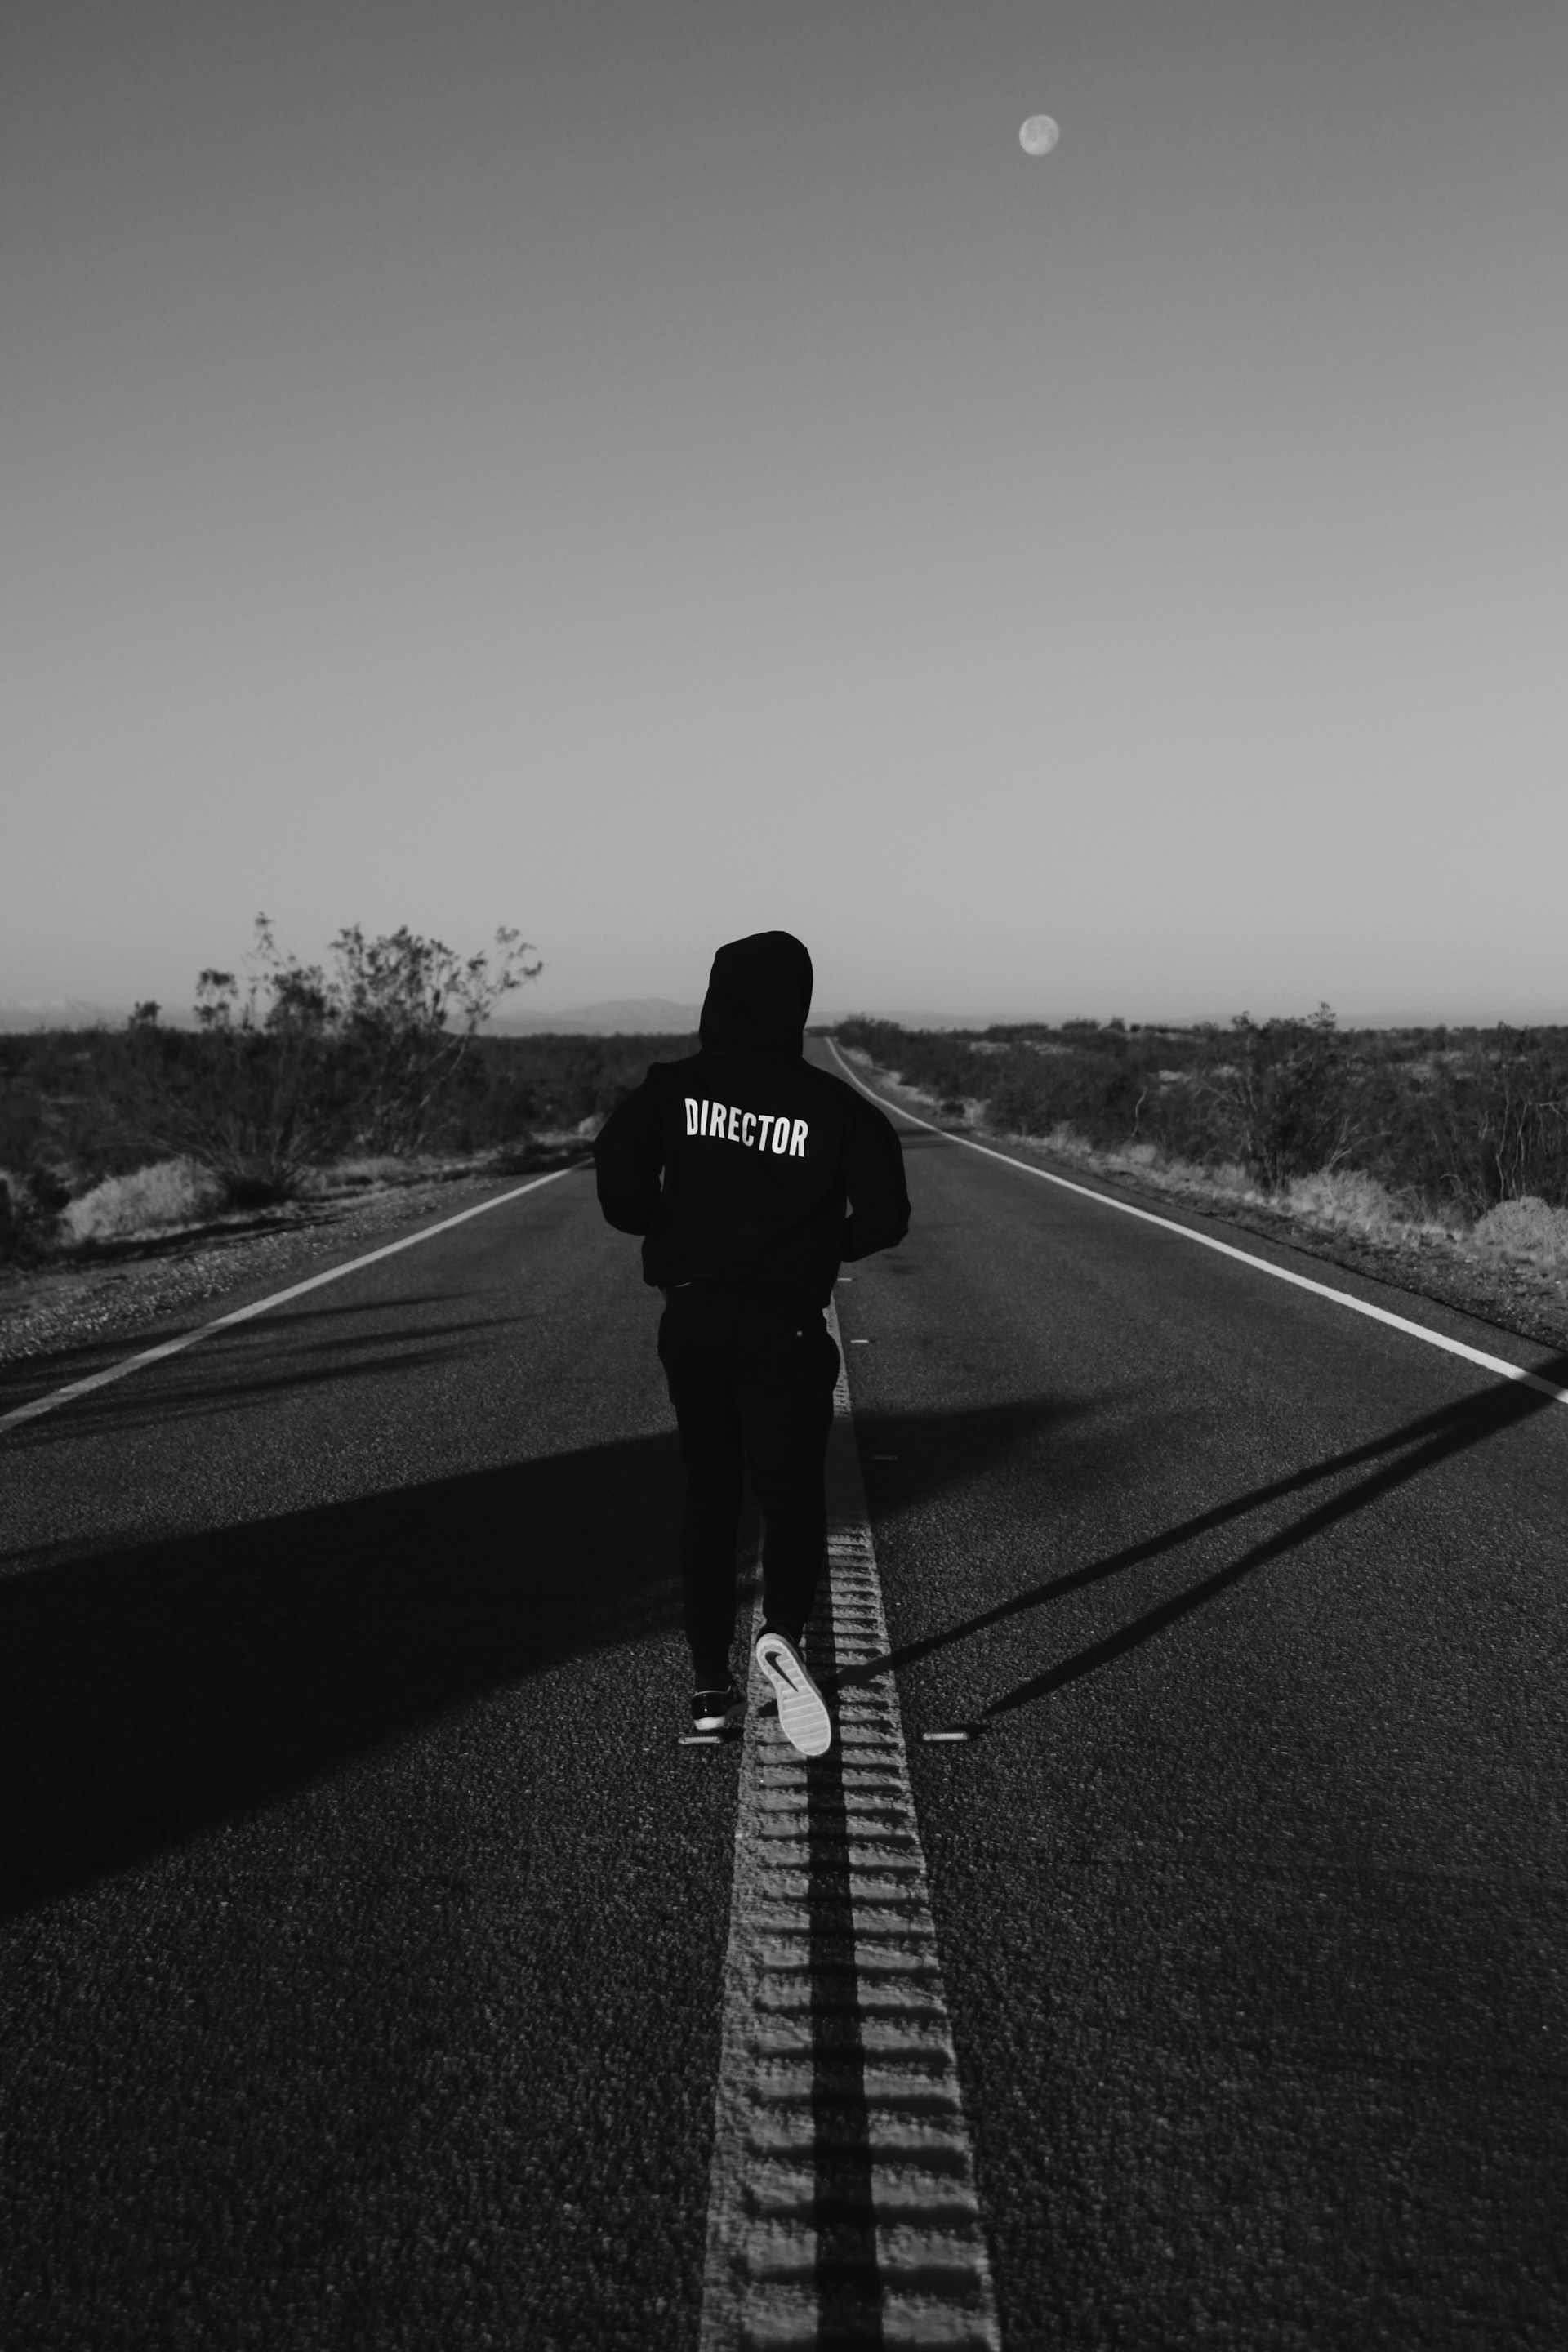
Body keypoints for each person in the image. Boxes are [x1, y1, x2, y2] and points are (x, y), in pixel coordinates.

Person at [593, 931, 911, 1755]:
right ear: (795, 1006)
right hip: (787, 1322)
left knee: (709, 1496)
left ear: (716, 996)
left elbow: (621, 1192)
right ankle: (782, 1631)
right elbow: (886, 1218)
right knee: (792, 1492)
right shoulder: (837, 1109)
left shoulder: (672, 1089)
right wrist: (815, 1247)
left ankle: (708, 1688)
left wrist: (676, 1227)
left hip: (694, 1316)